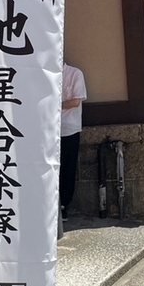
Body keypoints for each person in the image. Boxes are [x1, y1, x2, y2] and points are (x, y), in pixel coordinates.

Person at [60, 63, 87, 216]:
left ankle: (64, 205)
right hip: (50, 129)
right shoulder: (46, 74)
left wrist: (55, 105)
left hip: (70, 128)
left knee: (68, 168)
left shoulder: (75, 73)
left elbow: (76, 101)